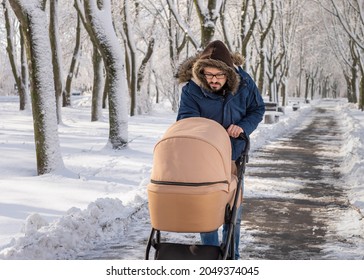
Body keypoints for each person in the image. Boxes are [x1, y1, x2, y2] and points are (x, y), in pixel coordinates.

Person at [176, 40, 265, 259]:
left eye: (219, 75)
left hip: (233, 155)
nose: (213, 80)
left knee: (233, 209)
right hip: (204, 157)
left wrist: (242, 127)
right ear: (201, 71)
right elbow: (186, 120)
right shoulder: (192, 89)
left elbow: (257, 109)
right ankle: (210, 256)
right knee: (207, 208)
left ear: (229, 74)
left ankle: (231, 257)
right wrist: (210, 132)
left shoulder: (244, 83)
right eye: (209, 75)